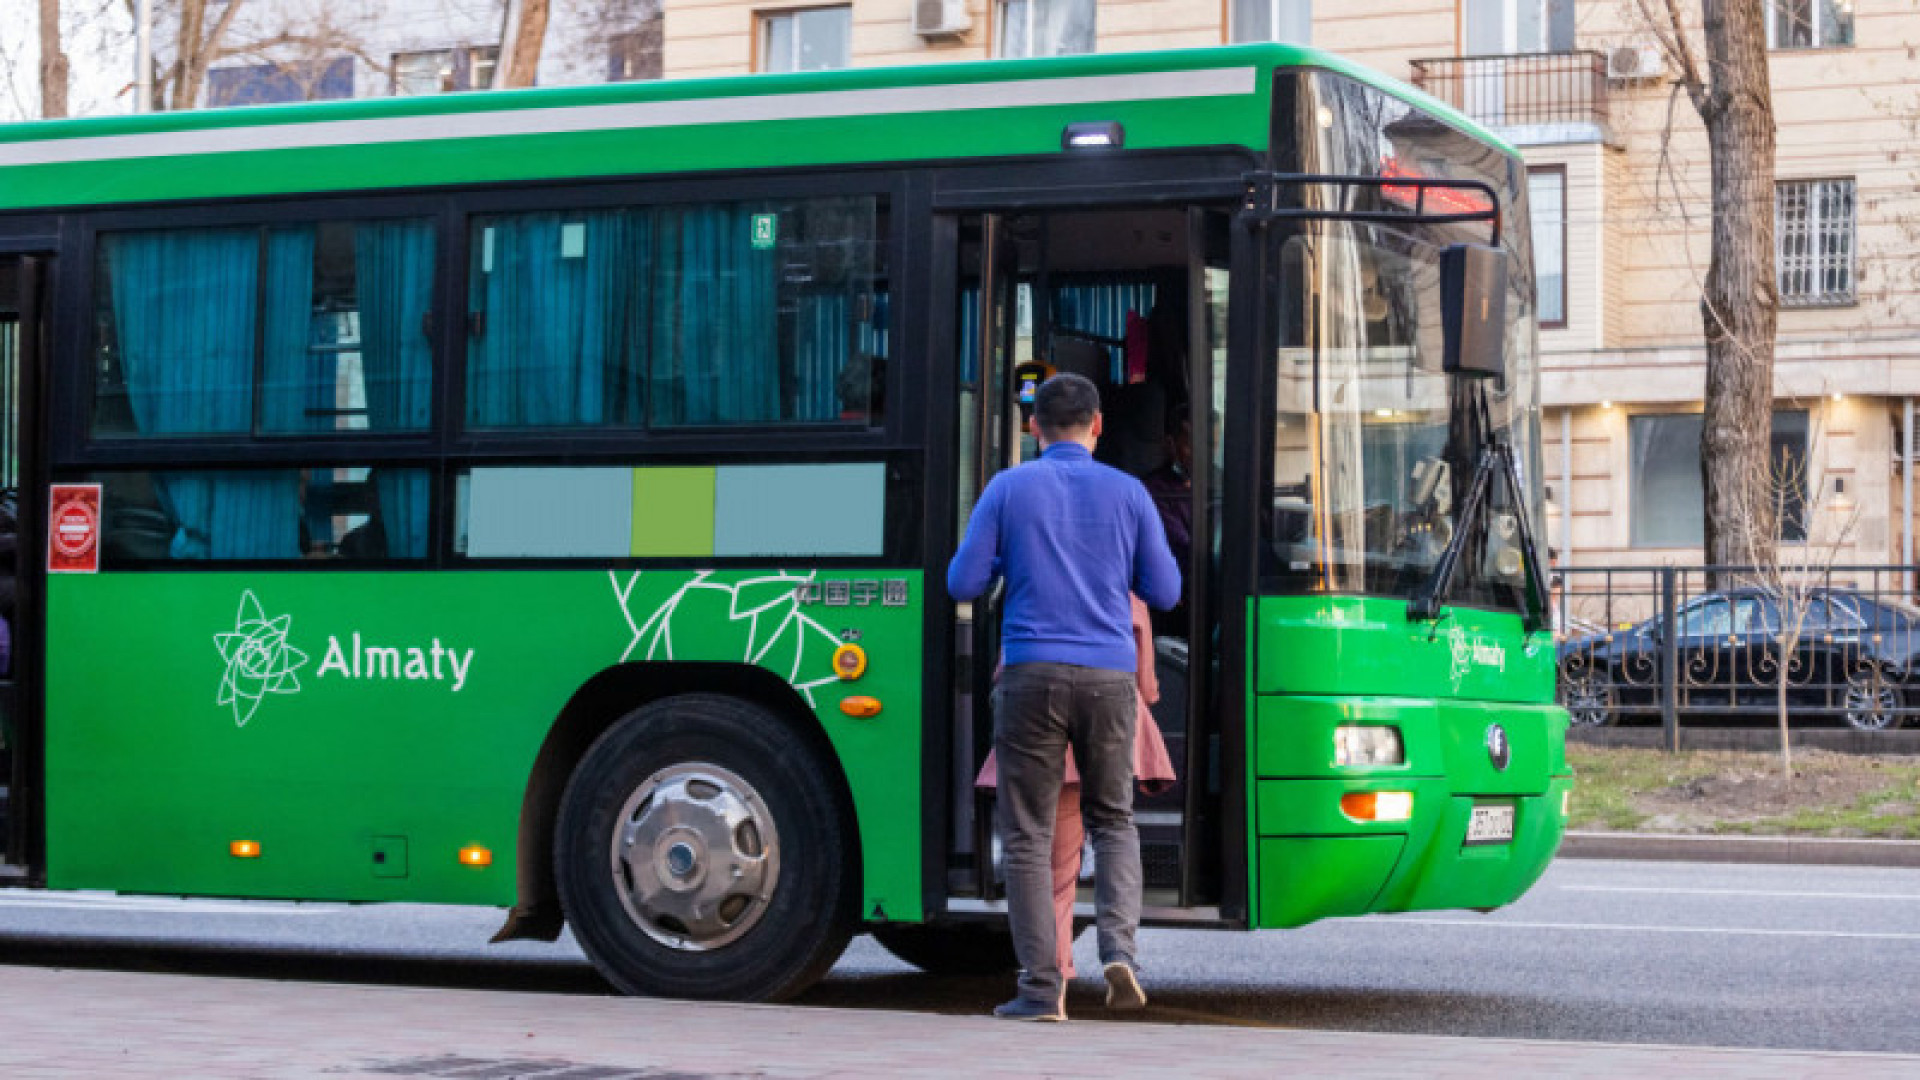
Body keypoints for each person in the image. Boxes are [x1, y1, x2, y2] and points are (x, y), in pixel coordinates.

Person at [948, 373, 1181, 1022]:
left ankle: (1041, 989)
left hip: (1031, 674)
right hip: (1109, 680)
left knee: (1027, 834)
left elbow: (962, 580)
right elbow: (1163, 591)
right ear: (1098, 425)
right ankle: (1120, 956)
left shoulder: (1007, 488)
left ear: (1033, 428)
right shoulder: (1129, 493)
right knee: (1114, 820)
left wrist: (1007, 558)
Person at [975, 595, 1175, 986]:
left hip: (1039, 705)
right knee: (1114, 823)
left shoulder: (1037, 563)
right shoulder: (1117, 566)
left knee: (1052, 860)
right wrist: (1147, 692)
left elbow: (1011, 652)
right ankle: (1118, 952)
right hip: (1111, 706)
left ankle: (1053, 974)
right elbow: (1142, 650)